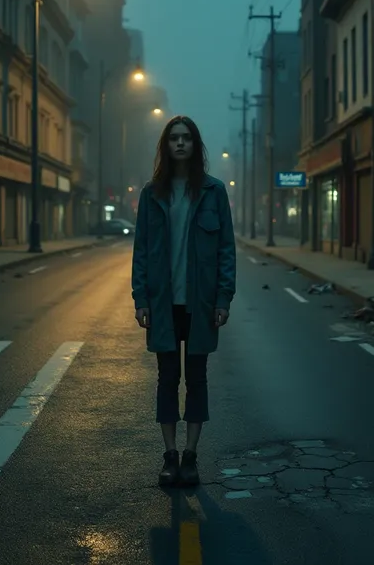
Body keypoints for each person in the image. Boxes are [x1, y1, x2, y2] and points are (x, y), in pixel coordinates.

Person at [131, 115, 236, 487]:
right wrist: (140, 298)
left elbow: (226, 249)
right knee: (166, 379)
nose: (179, 144)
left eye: (186, 138)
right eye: (173, 138)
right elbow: (141, 250)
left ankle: (191, 456)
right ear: (166, 145)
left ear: (195, 145)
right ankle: (169, 456)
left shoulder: (213, 191)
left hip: (200, 303)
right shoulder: (151, 193)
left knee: (197, 379)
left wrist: (223, 298)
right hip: (162, 304)